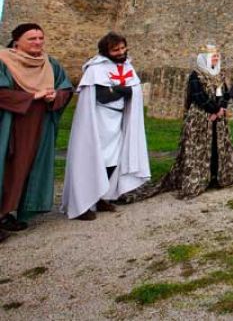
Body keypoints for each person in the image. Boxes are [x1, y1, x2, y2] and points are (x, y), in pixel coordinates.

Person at [124, 45, 233, 201]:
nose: (216, 58)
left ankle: (216, 177)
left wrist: (220, 109)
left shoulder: (219, 75)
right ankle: (198, 180)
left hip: (217, 120)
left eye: (217, 56)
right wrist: (213, 110)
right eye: (213, 56)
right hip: (200, 118)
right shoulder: (196, 75)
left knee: (216, 147)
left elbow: (225, 94)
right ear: (204, 58)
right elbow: (198, 96)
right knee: (198, 149)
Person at [62, 32, 150, 221]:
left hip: (117, 120)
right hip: (98, 121)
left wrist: (118, 89)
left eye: (122, 48)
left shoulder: (127, 66)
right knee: (93, 160)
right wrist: (122, 90)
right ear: (106, 51)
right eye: (115, 49)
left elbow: (133, 91)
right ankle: (83, 203)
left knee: (113, 160)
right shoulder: (96, 69)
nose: (121, 52)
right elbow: (103, 96)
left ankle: (101, 196)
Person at [0, 24, 72, 241]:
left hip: (40, 125)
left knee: (27, 167)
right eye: (32, 38)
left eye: (41, 38)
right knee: (6, 166)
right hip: (9, 125)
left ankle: (7, 213)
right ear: (17, 41)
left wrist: (54, 97)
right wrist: (31, 97)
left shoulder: (50, 64)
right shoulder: (3, 61)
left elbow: (66, 88)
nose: (38, 42)